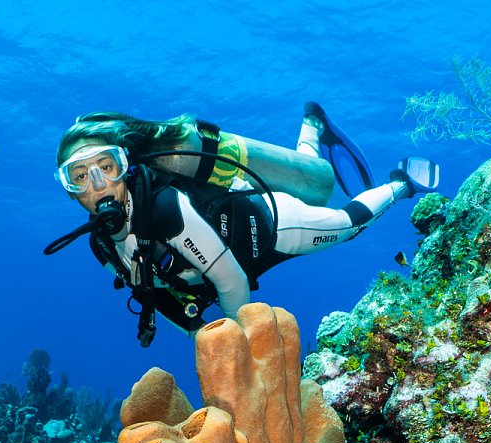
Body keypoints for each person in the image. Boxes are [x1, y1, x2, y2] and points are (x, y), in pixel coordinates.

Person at [52, 107, 439, 344]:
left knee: (349, 222)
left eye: (107, 166)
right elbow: (152, 292)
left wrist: (237, 351)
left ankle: (402, 182)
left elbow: (232, 282)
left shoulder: (166, 207)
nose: (99, 184)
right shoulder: (101, 246)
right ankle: (312, 127)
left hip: (272, 229)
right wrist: (199, 336)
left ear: (126, 166)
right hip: (236, 239)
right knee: (312, 184)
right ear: (70, 191)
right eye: (80, 176)